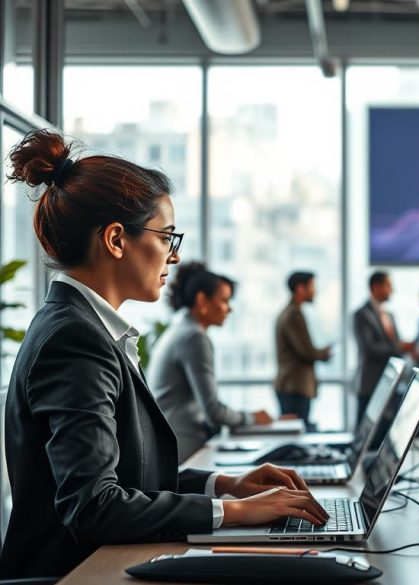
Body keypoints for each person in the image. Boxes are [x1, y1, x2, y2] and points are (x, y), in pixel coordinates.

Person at [0, 130, 327, 579]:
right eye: (167, 237)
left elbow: (129, 477)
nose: (173, 257)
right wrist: (233, 512)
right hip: (79, 573)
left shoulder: (87, 328)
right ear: (116, 240)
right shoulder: (74, 340)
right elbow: (95, 506)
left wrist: (226, 485)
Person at [150, 262, 273, 463]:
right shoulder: (194, 337)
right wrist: (252, 418)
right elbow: (213, 411)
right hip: (183, 449)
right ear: (202, 301)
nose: (229, 308)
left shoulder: (180, 328)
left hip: (169, 444)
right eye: (224, 300)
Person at [273, 271, 332, 430]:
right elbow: (306, 351)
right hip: (294, 387)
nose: (315, 291)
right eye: (312, 286)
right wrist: (323, 354)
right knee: (296, 436)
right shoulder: (293, 314)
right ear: (300, 288)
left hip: (291, 386)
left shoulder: (290, 312)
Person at [353, 271, 413, 422]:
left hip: (390, 383)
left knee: (386, 430)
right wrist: (400, 347)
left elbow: (395, 344)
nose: (391, 290)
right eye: (388, 286)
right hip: (370, 383)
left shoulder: (389, 315)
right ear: (376, 287)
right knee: (366, 431)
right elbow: (369, 348)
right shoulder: (361, 314)